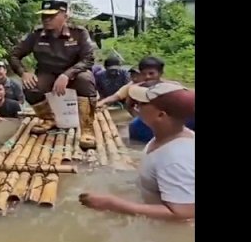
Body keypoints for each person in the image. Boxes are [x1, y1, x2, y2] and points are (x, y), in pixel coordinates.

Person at [79, 81, 195, 221]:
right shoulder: (166, 138)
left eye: (143, 103)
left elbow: (183, 214)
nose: (137, 104)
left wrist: (112, 204)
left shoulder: (175, 159)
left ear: (160, 115)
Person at [8, 0, 98, 150]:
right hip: (47, 72)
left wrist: (67, 75)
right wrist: (24, 73)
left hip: (74, 72)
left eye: (52, 16)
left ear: (65, 16)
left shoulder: (79, 33)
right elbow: (14, 55)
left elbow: (88, 58)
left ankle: (87, 130)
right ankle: (48, 120)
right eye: (44, 16)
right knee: (31, 86)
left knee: (86, 80)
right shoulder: (35, 35)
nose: (46, 19)